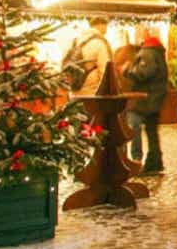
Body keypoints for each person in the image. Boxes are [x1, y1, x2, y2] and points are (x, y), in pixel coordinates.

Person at [124, 27, 169, 174]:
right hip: (155, 99)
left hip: (144, 100)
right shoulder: (158, 52)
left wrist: (126, 70)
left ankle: (136, 160)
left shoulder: (147, 53)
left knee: (133, 126)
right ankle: (155, 162)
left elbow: (143, 73)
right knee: (151, 132)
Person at [63, 17, 113, 97]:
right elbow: (104, 70)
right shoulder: (99, 43)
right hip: (91, 92)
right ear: (102, 26)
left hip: (73, 88)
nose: (105, 32)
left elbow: (64, 63)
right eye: (105, 29)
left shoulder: (74, 41)